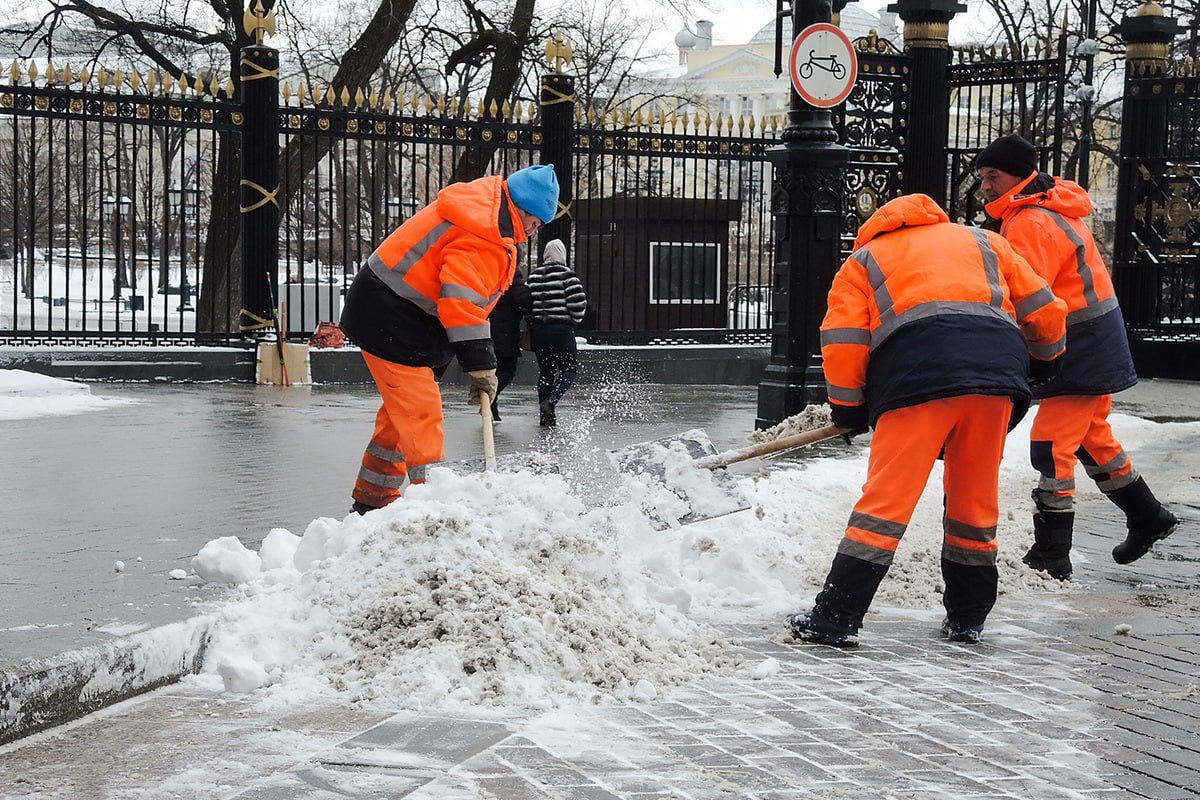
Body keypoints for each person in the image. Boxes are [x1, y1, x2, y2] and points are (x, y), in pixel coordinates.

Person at [787, 193, 1067, 648]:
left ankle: (836, 619)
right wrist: (1046, 359)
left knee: (885, 504)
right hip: (995, 379)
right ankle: (968, 618)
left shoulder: (863, 262)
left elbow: (843, 341)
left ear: (878, 227)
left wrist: (848, 406)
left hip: (914, 381)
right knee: (974, 502)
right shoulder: (983, 242)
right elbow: (1046, 309)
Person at [977, 134, 1180, 580]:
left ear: (1018, 176)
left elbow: (1028, 295)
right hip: (1092, 339)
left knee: (1051, 446)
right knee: (1093, 439)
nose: (985, 186)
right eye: (982, 177)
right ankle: (1148, 516)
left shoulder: (1029, 220)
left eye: (993, 176)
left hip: (1080, 345)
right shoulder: (1045, 207)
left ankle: (1052, 551)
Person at [338, 164, 559, 513]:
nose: (534, 232)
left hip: (402, 316)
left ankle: (373, 501)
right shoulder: (482, 232)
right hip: (391, 317)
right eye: (537, 222)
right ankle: (434, 509)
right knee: (421, 413)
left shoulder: (490, 220)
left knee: (401, 417)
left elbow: (492, 286)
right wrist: (483, 367)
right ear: (525, 210)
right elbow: (462, 303)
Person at [526, 238, 587, 427]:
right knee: (570, 368)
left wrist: (533, 322)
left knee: (546, 372)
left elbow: (527, 305)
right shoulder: (568, 276)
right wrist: (573, 321)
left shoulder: (533, 277)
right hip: (561, 330)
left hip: (538, 331)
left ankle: (546, 417)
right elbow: (578, 305)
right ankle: (552, 400)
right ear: (563, 255)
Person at [487, 266, 532, 423]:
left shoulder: (486, 267)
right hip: (504, 327)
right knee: (508, 368)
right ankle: (489, 397)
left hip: (485, 324)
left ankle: (492, 405)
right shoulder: (509, 270)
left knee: (494, 368)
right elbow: (523, 298)